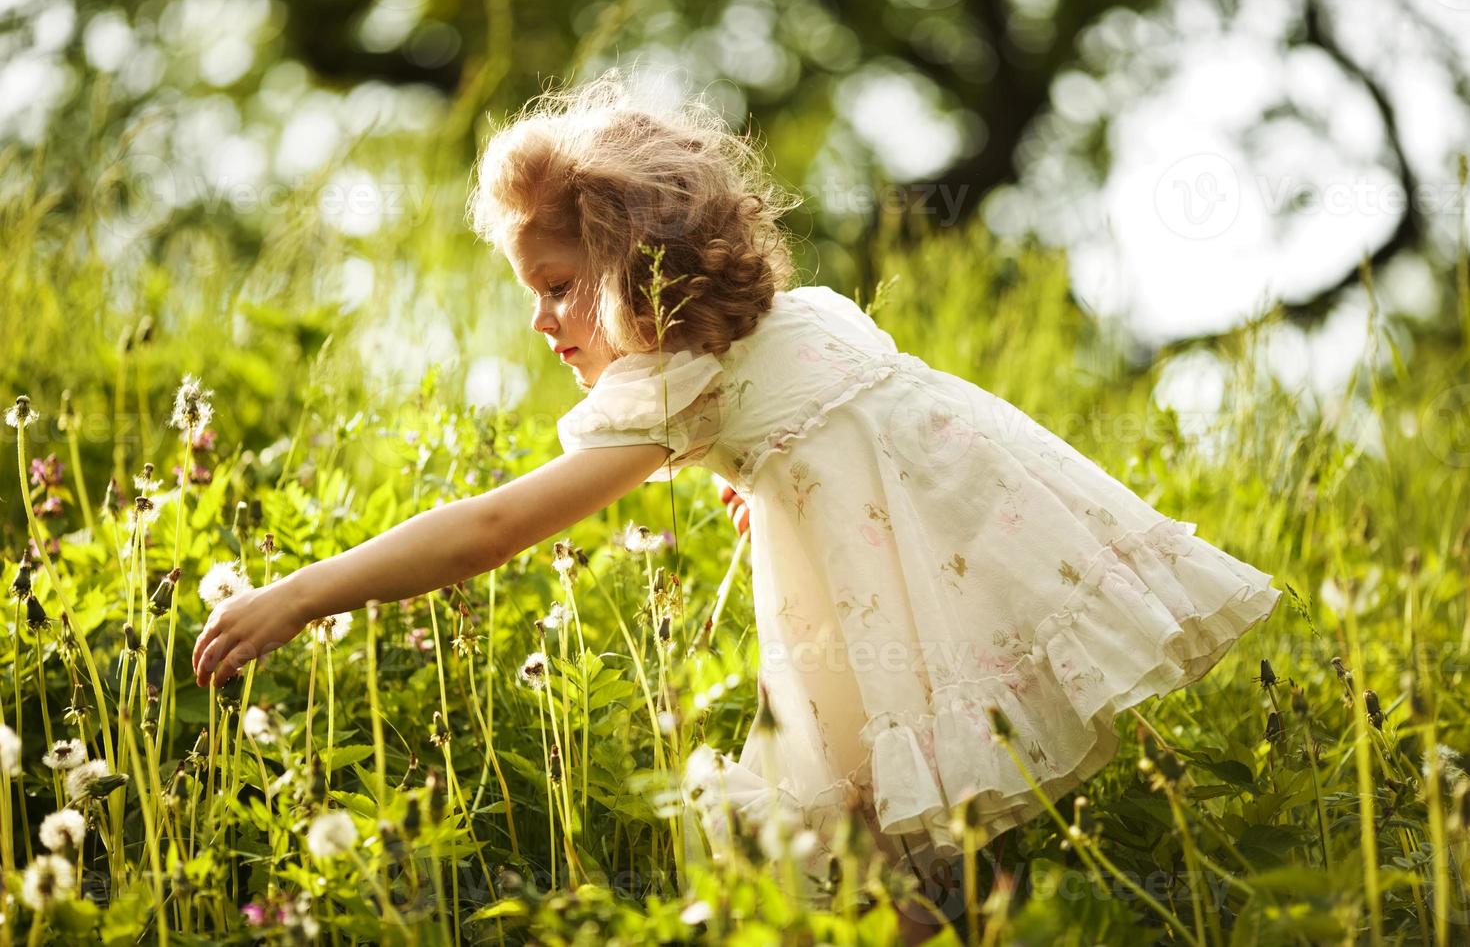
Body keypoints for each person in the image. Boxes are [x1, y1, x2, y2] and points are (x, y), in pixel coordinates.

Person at [191, 67, 1283, 943]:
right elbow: (843, 431)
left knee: (876, 858)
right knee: (946, 850)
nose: (544, 321)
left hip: (913, 617)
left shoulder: (675, 382)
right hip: (982, 566)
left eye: (560, 285)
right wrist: (764, 483)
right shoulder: (800, 313)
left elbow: (494, 526)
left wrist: (307, 590)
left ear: (631, 265)